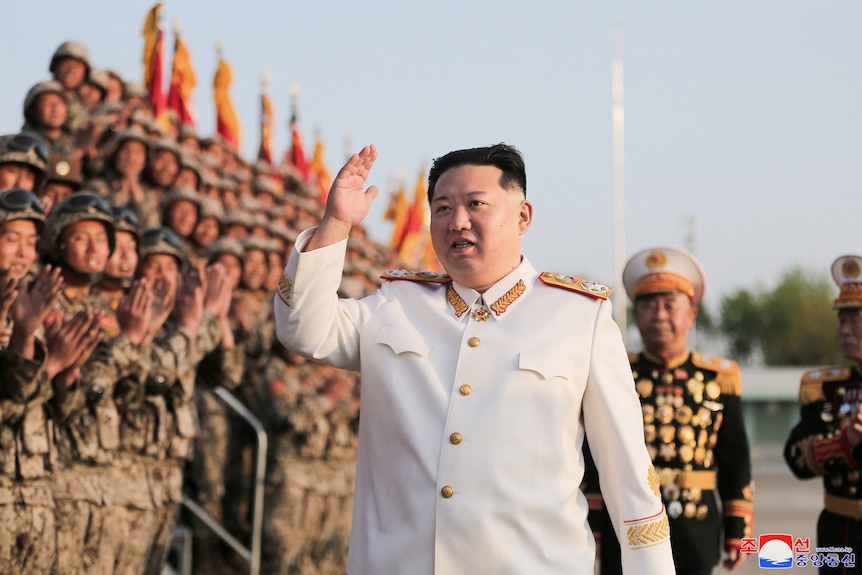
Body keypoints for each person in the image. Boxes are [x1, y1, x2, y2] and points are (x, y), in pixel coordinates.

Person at [274, 143, 674, 574]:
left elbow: (631, 481)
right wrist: (335, 223)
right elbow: (301, 327)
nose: (457, 221)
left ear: (523, 216)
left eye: (475, 204)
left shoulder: (580, 317)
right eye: (442, 208)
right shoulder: (395, 305)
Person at [589, 246, 754, 575]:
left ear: (691, 314)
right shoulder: (616, 373)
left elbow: (736, 462)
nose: (660, 315)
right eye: (649, 305)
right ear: (636, 315)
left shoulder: (719, 378)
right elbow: (595, 457)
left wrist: (740, 535)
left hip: (696, 526)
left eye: (670, 305)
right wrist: (592, 526)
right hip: (626, 523)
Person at [784, 254, 862, 574]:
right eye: (840, 320)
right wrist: (846, 442)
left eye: (854, 319)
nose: (843, 330)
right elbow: (796, 457)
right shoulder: (826, 388)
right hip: (840, 532)